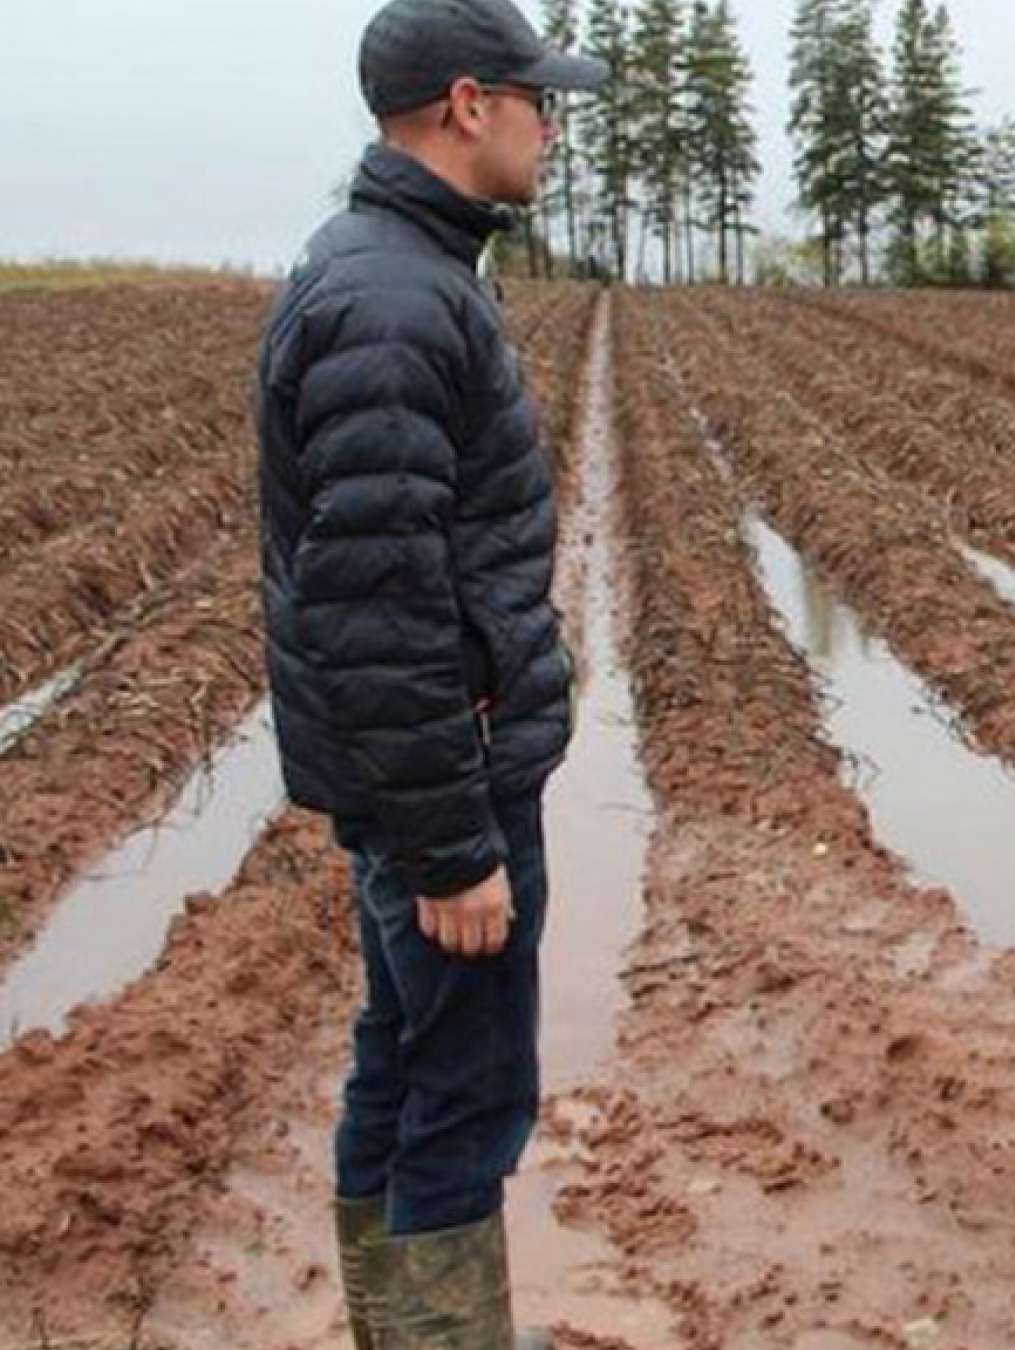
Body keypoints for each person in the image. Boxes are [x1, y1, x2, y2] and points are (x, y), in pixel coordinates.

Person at [254, 0, 604, 1342]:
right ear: (469, 106)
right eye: (535, 99)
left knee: (403, 1061)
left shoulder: (397, 265)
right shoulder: (395, 300)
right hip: (444, 783)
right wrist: (455, 845)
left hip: (427, 769)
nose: (550, 124)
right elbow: (380, 603)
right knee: (464, 1094)